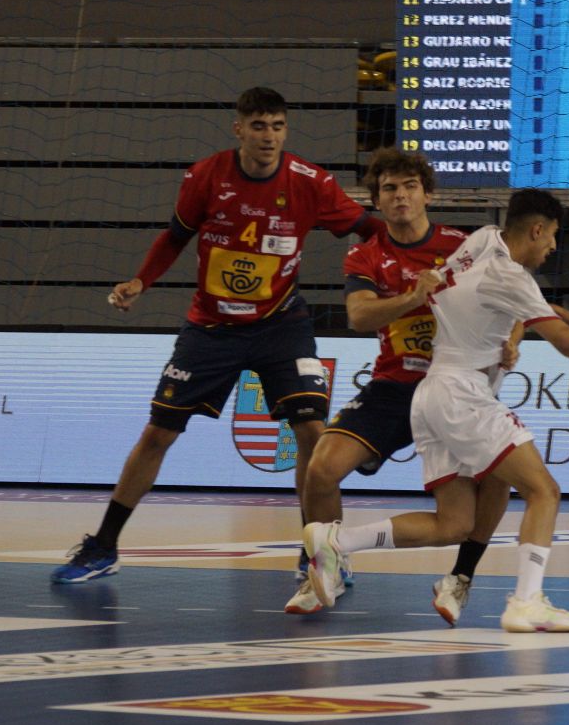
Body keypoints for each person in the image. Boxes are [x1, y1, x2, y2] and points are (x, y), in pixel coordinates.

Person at [304, 188, 569, 632]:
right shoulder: (512, 278)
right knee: (544, 491)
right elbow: (566, 343)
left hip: (432, 393)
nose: (552, 246)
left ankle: (336, 540)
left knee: (453, 524)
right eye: (552, 236)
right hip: (463, 394)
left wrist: (544, 314)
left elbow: (460, 290)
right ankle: (527, 602)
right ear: (536, 230)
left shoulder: (481, 239)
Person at [51, 86, 384, 582]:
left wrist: (397, 269)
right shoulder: (206, 176)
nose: (268, 136)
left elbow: (372, 230)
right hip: (211, 328)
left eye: (277, 126)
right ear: (239, 129)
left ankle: (321, 553)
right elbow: (175, 237)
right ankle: (103, 547)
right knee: (157, 433)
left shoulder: (310, 182)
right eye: (258, 126)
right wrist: (141, 281)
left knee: (313, 433)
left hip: (282, 325)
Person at [286, 148, 569, 618]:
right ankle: (324, 567)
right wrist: (413, 295)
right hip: (396, 386)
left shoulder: (461, 242)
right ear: (377, 200)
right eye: (389, 189)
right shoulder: (365, 253)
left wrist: (516, 336)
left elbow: (512, 291)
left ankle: (460, 578)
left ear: (427, 195)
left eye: (409, 187)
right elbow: (359, 316)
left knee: (497, 482)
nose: (400, 196)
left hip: (456, 386)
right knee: (321, 468)